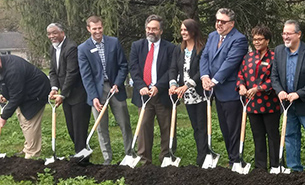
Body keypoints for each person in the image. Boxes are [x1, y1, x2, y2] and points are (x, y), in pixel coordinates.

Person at [77, 15, 133, 165]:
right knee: (101, 126)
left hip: (115, 87)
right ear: (89, 29)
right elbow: (86, 75)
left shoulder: (113, 43)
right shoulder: (83, 49)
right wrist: (93, 96)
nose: (97, 31)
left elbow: (123, 65)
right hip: (97, 91)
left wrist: (118, 83)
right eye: (94, 29)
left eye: (99, 28)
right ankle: (107, 157)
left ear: (103, 27)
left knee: (124, 123)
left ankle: (130, 153)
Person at [271, 20, 305, 172]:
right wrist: (279, 91)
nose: (285, 37)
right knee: (290, 137)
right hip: (287, 105)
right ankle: (295, 168)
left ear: (299, 34)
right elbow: (274, 76)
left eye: (289, 33)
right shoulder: (279, 51)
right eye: (284, 33)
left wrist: (298, 94)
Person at [200, 8, 248, 167]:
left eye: (223, 21)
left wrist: (214, 80)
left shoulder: (239, 39)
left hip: (231, 90)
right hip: (215, 90)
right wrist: (204, 76)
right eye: (217, 20)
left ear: (232, 23)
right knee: (224, 128)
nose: (219, 24)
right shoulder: (212, 36)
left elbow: (230, 62)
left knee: (233, 128)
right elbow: (205, 56)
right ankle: (231, 157)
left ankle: (236, 160)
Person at [0, 52, 50, 159]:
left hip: (36, 93)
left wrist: (4, 117)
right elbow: (4, 82)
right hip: (24, 93)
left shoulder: (13, 70)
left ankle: (32, 154)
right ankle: (28, 147)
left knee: (29, 123)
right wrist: (4, 94)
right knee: (22, 120)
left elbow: (17, 96)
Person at [129, 14, 175, 165]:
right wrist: (141, 86)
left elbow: (171, 70)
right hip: (143, 95)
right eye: (148, 28)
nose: (150, 31)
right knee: (144, 128)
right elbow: (134, 68)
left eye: (154, 29)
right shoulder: (137, 46)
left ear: (161, 31)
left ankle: (166, 158)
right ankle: (144, 160)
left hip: (162, 94)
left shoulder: (170, 48)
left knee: (167, 128)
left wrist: (158, 87)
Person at [236, 25, 281, 170]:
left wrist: (259, 88)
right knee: (258, 135)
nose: (256, 42)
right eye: (255, 39)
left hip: (270, 103)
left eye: (260, 39)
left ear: (267, 41)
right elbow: (241, 75)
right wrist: (242, 86)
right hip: (252, 104)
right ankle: (260, 166)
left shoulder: (275, 57)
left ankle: (276, 164)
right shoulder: (248, 57)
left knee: (273, 135)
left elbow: (275, 78)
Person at [169, 19, 209, 166]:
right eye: (181, 30)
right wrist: (173, 83)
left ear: (193, 31)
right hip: (186, 95)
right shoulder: (178, 50)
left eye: (186, 30)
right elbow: (173, 68)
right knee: (195, 126)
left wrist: (188, 85)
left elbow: (202, 70)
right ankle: (201, 153)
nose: (183, 33)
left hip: (199, 92)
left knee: (202, 125)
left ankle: (203, 157)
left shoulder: (202, 49)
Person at [47, 23, 89, 159]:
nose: (52, 36)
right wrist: (54, 88)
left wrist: (63, 94)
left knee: (79, 128)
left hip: (78, 94)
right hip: (65, 95)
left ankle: (82, 156)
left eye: (54, 33)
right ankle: (81, 152)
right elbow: (53, 71)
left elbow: (72, 73)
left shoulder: (71, 48)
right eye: (49, 34)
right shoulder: (53, 49)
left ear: (62, 33)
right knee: (71, 128)